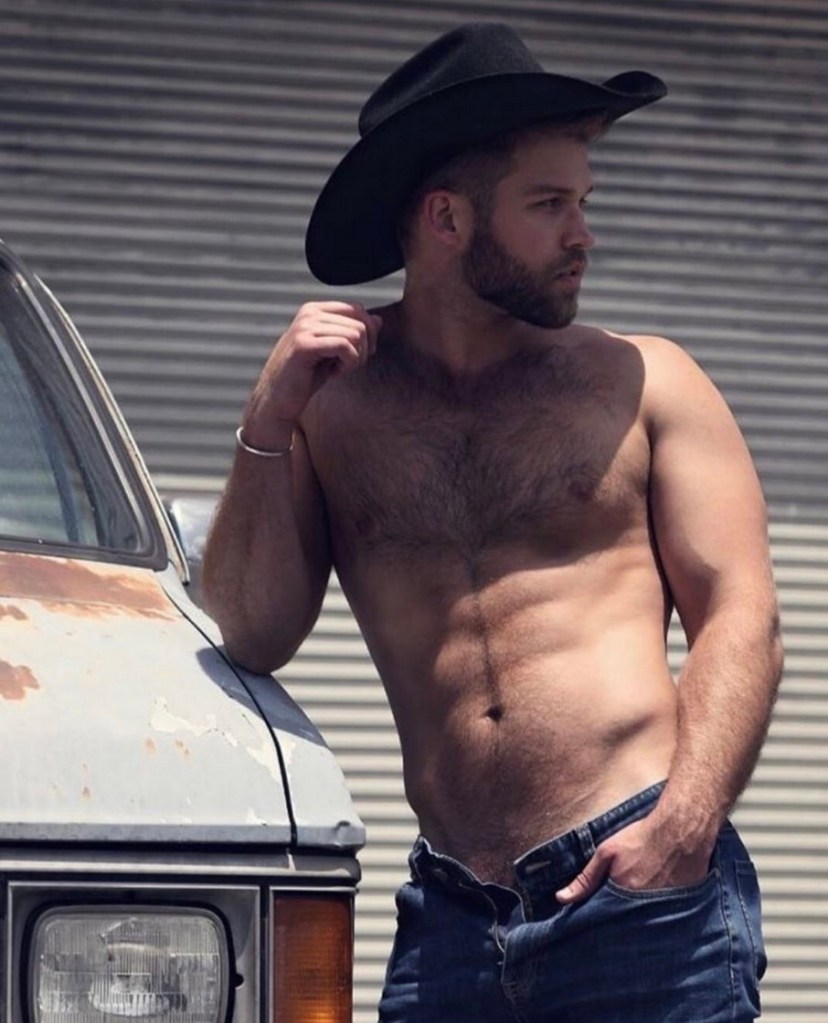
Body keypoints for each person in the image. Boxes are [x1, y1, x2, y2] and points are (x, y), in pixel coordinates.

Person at [203, 22, 783, 1023]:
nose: (583, 233)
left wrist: (684, 825)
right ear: (447, 217)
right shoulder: (333, 410)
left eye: (584, 203)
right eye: (550, 205)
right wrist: (267, 421)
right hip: (451, 920)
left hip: (640, 894)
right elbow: (254, 631)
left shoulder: (644, 381)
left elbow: (744, 615)